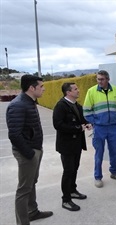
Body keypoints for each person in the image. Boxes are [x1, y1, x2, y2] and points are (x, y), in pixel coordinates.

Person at [6, 75, 53, 225]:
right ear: (32, 88)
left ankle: (32, 212)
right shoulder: (18, 105)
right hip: (27, 152)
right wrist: (30, 154)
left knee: (32, 182)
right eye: (41, 86)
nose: (44, 89)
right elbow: (14, 134)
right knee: (24, 189)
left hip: (35, 149)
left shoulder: (30, 102)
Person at [53, 82, 92, 211]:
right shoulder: (61, 106)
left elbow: (81, 120)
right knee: (68, 171)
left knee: (74, 168)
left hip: (77, 144)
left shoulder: (77, 106)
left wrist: (87, 124)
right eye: (75, 89)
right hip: (66, 145)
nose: (78, 90)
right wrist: (77, 128)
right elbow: (58, 125)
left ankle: (72, 190)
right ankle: (66, 199)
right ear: (68, 92)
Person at [83, 70, 116, 188]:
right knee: (99, 153)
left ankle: (114, 172)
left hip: (113, 127)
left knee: (114, 151)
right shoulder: (91, 92)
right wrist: (96, 122)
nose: (99, 81)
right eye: (98, 79)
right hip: (99, 128)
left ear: (108, 79)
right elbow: (86, 110)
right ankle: (98, 177)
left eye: (102, 79)